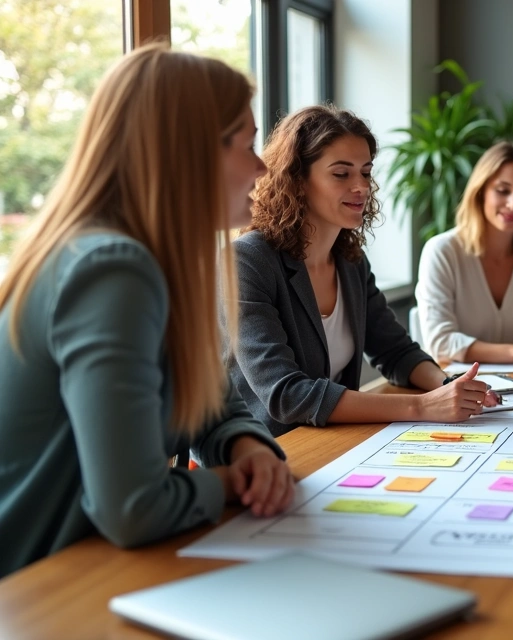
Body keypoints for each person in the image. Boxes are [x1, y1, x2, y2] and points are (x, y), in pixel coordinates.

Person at [0, 45, 294, 578]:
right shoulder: (113, 271)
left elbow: (212, 405)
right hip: (36, 589)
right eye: (247, 144)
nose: (260, 168)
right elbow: (133, 507)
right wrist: (234, 483)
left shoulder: (160, 263)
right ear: (188, 153)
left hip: (84, 570)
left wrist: (249, 448)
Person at [228, 105, 496, 438]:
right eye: (342, 174)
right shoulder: (247, 261)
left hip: (330, 440)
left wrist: (450, 387)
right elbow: (286, 395)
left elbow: (394, 351)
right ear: (296, 179)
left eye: (366, 172)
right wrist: (424, 407)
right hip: (263, 454)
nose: (361, 186)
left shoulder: (350, 261)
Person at [415, 142, 513, 365]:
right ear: (481, 190)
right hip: (452, 386)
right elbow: (441, 342)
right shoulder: (442, 251)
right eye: (502, 191)